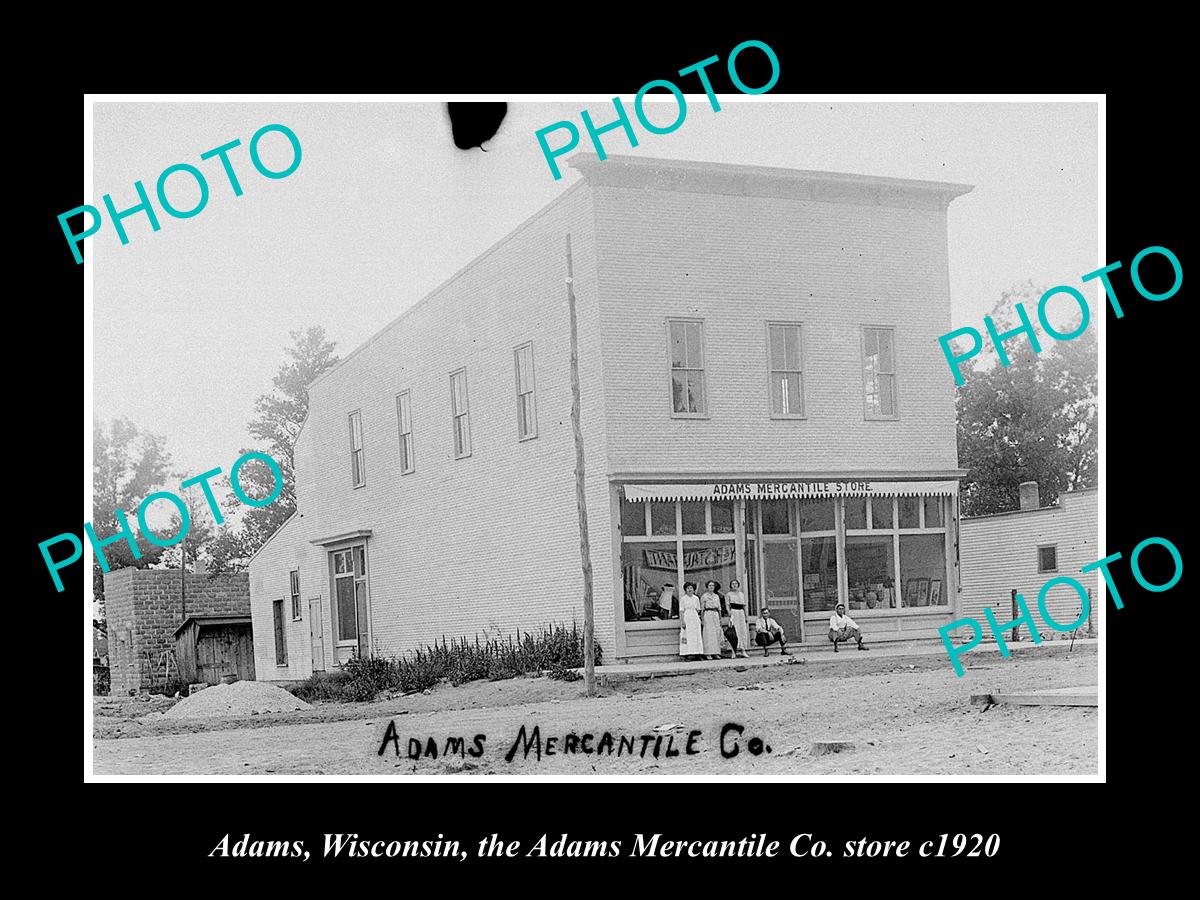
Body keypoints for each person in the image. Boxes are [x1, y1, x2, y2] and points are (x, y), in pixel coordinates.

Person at [725, 578, 750, 659]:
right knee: (734, 632)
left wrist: (746, 616)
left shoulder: (741, 594)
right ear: (730, 586)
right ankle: (733, 651)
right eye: (733, 584)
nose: (734, 585)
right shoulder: (728, 594)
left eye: (736, 584)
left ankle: (743, 650)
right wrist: (729, 613)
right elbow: (727, 605)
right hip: (734, 612)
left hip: (741, 613)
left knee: (742, 631)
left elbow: (744, 605)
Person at [678, 582, 704, 659]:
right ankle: (687, 654)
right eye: (688, 588)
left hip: (695, 617)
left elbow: (698, 609)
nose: (690, 590)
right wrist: (683, 621)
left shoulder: (696, 598)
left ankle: (697, 653)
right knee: (687, 635)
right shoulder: (683, 599)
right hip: (687, 617)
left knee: (696, 636)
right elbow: (681, 611)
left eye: (691, 588)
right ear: (685, 590)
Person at [700, 580, 723, 660]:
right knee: (708, 633)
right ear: (707, 587)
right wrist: (702, 619)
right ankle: (708, 653)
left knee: (716, 633)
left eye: (713, 586)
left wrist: (720, 618)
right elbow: (702, 608)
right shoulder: (704, 596)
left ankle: (716, 652)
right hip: (708, 614)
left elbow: (719, 608)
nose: (711, 587)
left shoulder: (716, 596)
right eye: (710, 586)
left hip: (715, 614)